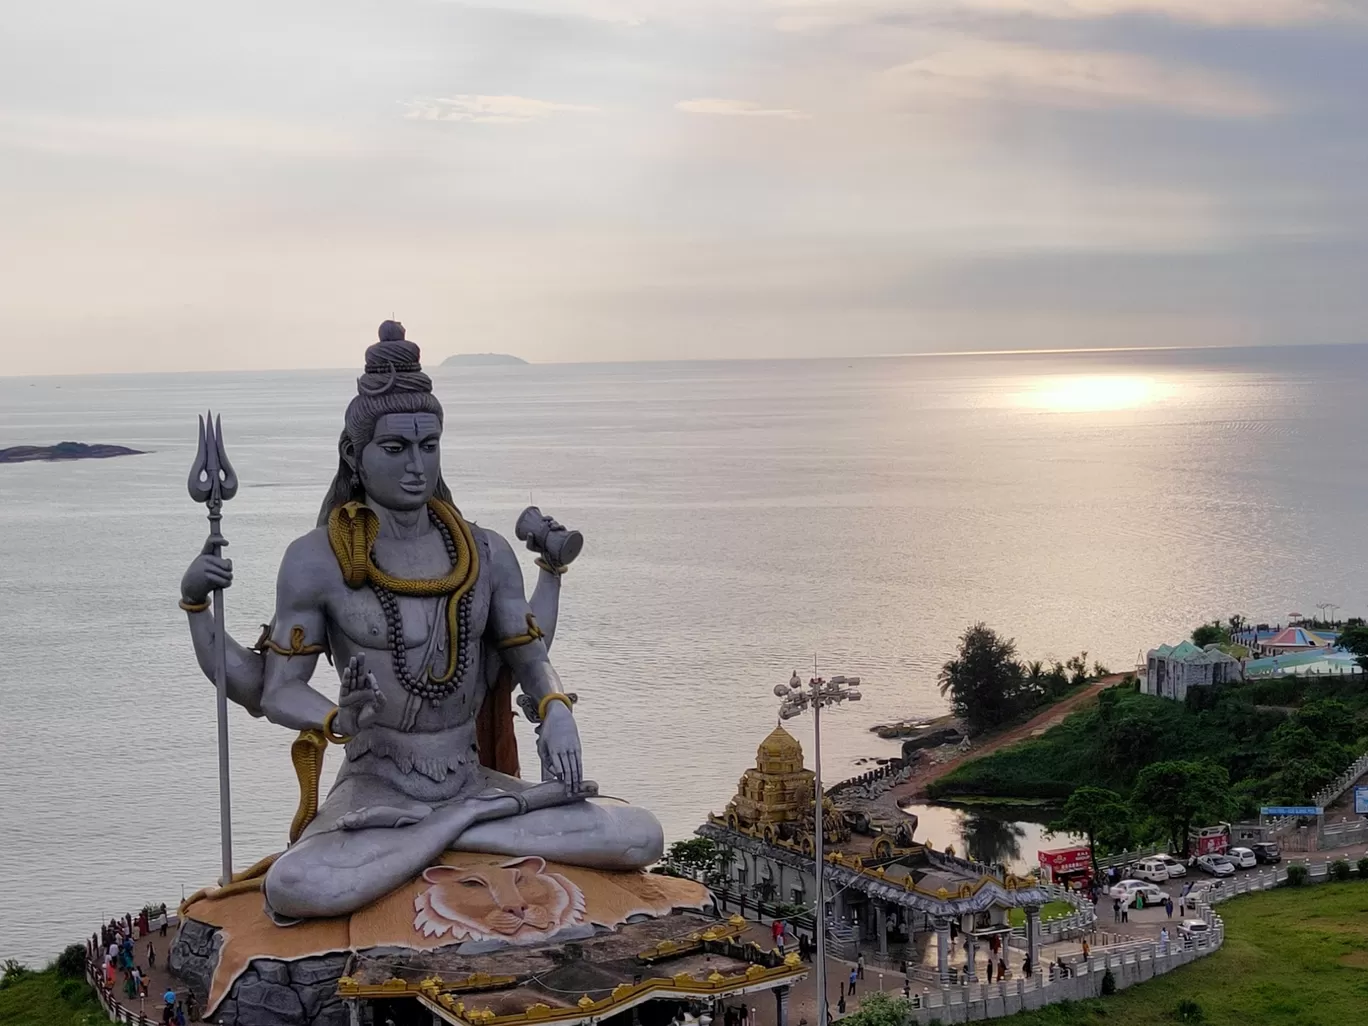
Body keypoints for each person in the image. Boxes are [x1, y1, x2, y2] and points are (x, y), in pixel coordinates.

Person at [177, 322, 664, 922]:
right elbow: (275, 689)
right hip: (377, 788)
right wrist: (334, 715)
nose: (416, 466)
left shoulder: (484, 552)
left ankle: (453, 826)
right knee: (298, 884)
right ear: (355, 454)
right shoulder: (317, 560)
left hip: (469, 780)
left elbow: (529, 656)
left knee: (641, 835)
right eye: (396, 449)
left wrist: (557, 709)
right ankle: (466, 828)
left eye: (428, 446)